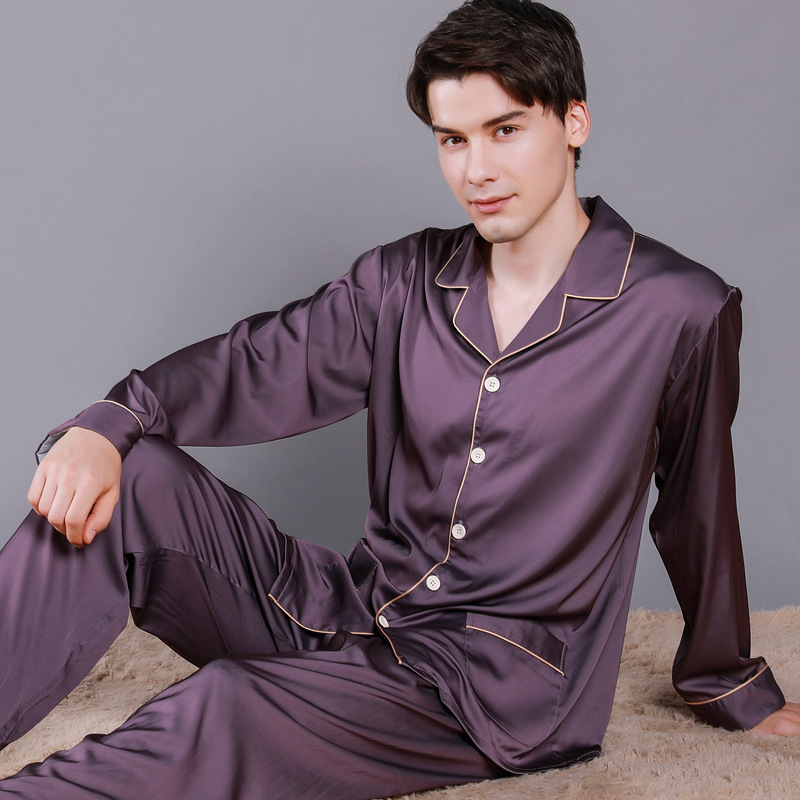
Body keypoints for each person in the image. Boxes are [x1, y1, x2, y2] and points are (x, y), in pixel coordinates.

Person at [1, 0, 798, 797]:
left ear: (574, 122)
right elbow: (255, 364)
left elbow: (696, 504)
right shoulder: (404, 279)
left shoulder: (678, 308)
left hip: (486, 690)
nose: (476, 171)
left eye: (505, 130)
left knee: (225, 705)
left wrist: (728, 683)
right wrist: (111, 421)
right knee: (128, 471)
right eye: (453, 140)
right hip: (351, 614)